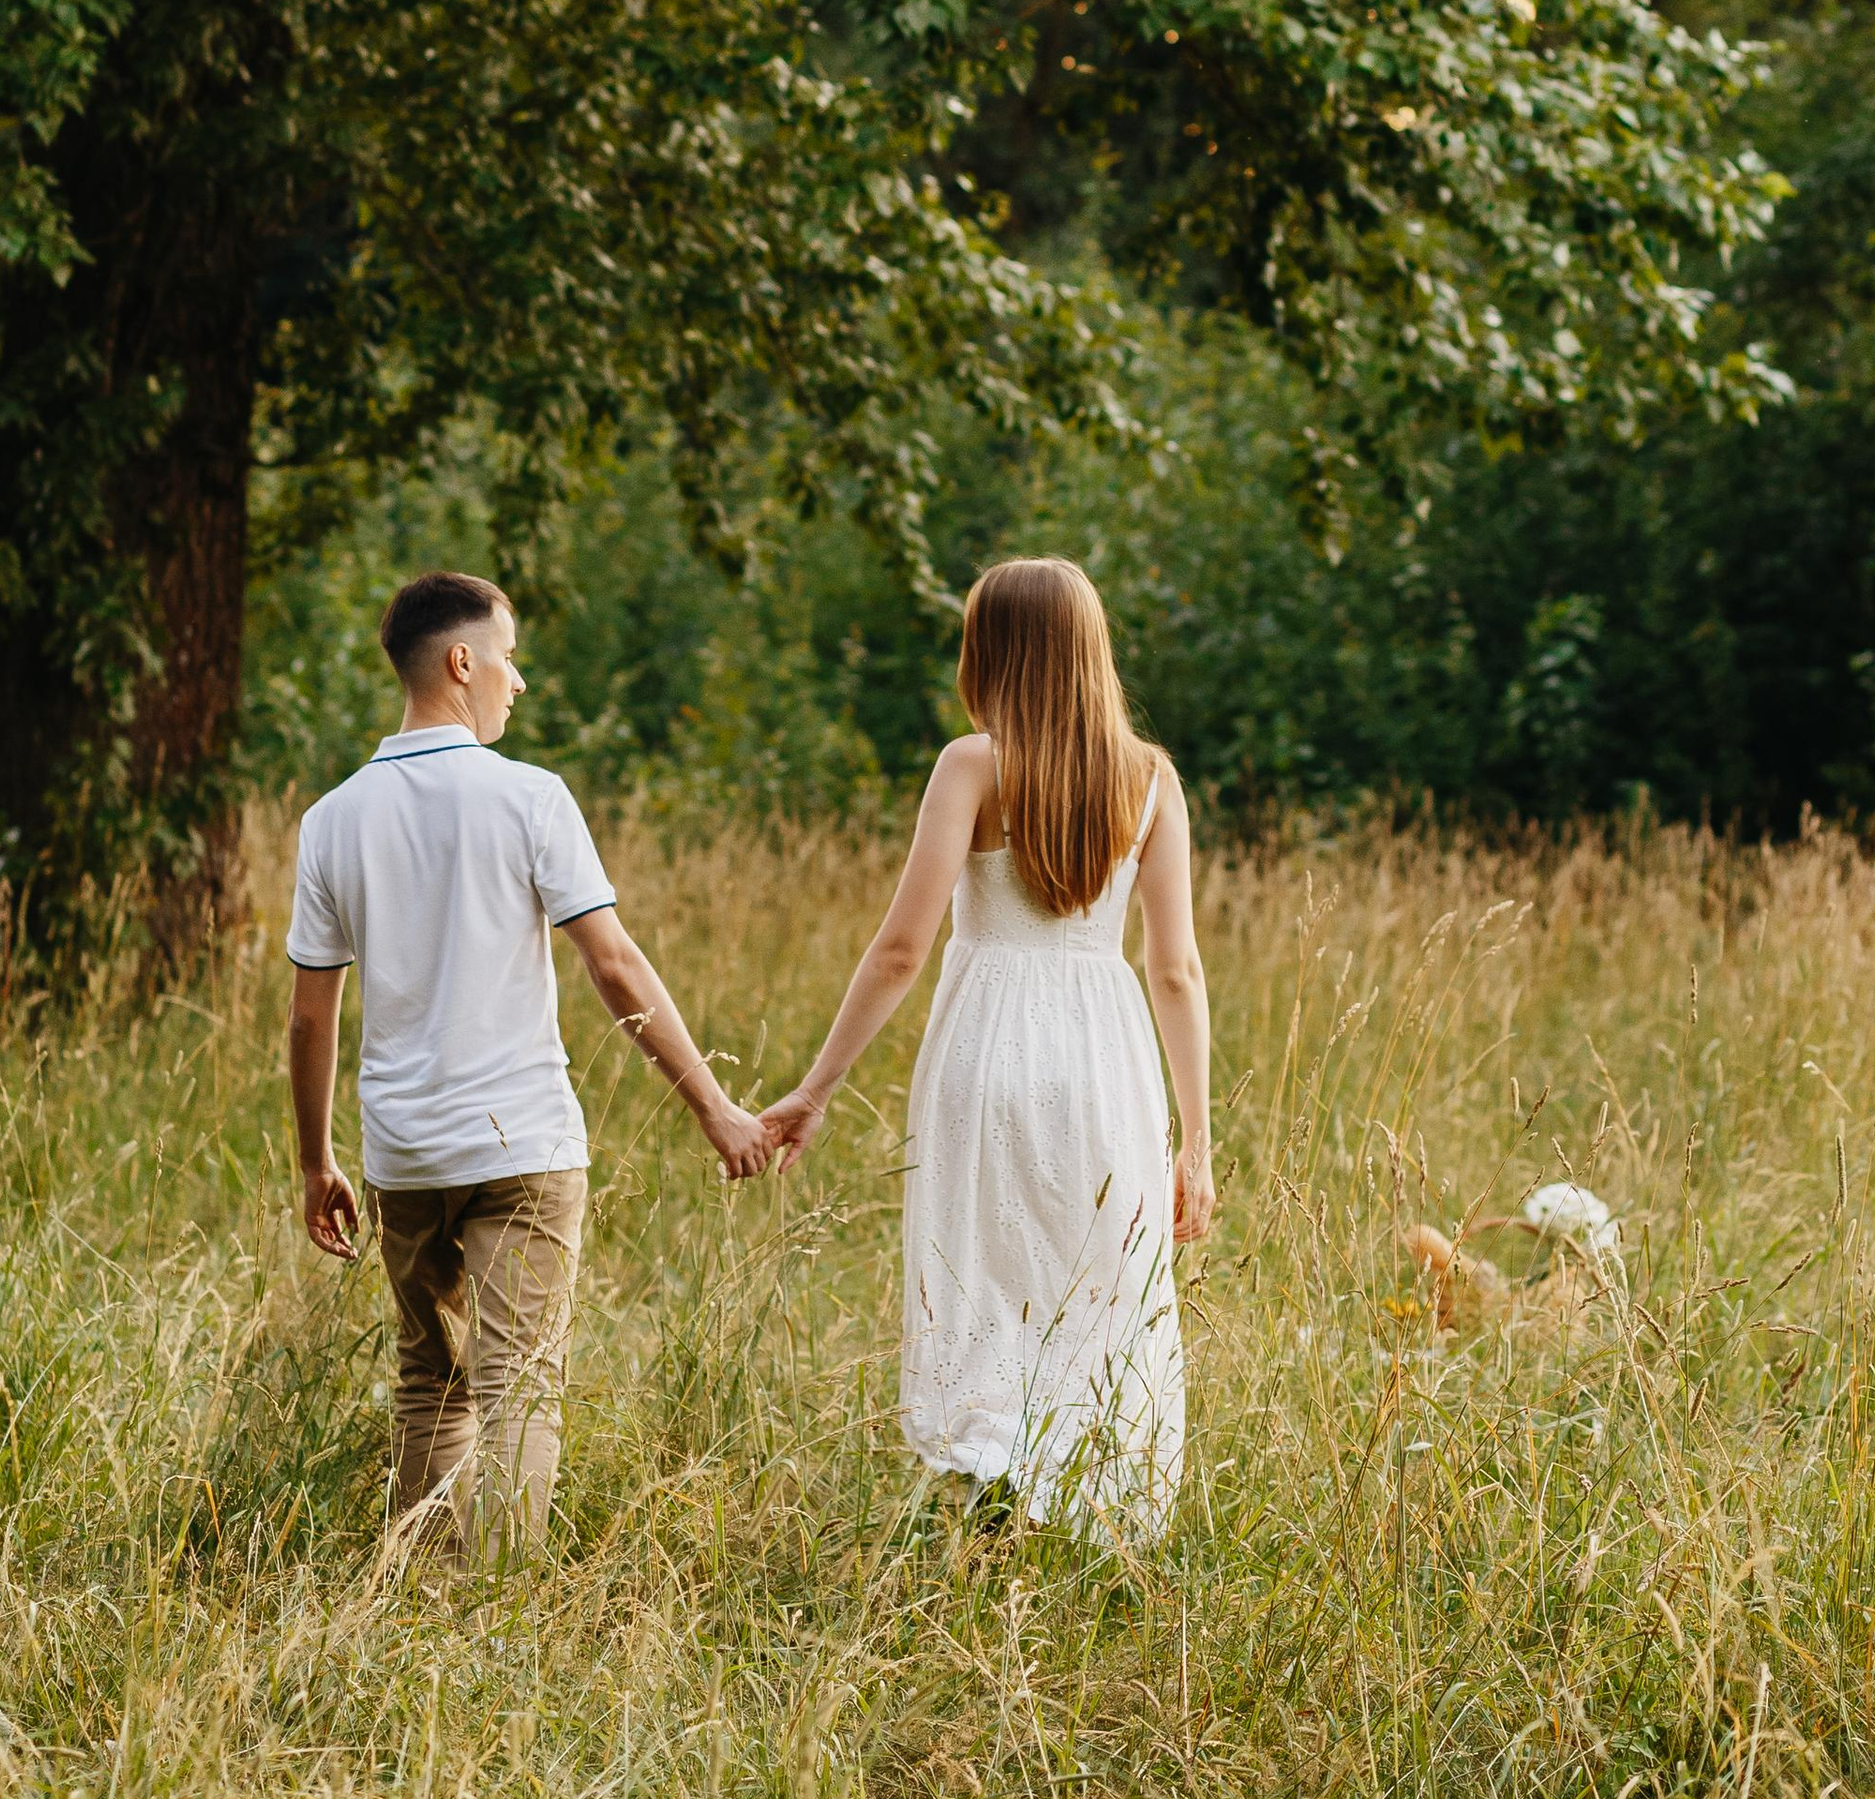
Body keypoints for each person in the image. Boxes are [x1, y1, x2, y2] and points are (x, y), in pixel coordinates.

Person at [286, 567, 771, 1563]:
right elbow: (614, 964)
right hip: (524, 1148)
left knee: (430, 1380)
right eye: (509, 659)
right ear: (461, 661)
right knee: (518, 1384)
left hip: (404, 1157)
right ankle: (500, 1611)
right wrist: (713, 1107)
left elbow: (308, 1013)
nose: (518, 682)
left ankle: (419, 1601)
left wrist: (314, 1160)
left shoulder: (332, 819)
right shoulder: (530, 799)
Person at [760, 554, 1215, 1538]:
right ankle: (1092, 1510)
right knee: (1101, 1284)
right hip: (1107, 1058)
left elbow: (898, 950)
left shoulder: (972, 764)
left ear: (989, 651)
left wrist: (815, 1088)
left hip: (986, 1047)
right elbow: (1174, 970)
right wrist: (1197, 1142)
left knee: (981, 1276)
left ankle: (986, 1496)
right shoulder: (1151, 780)